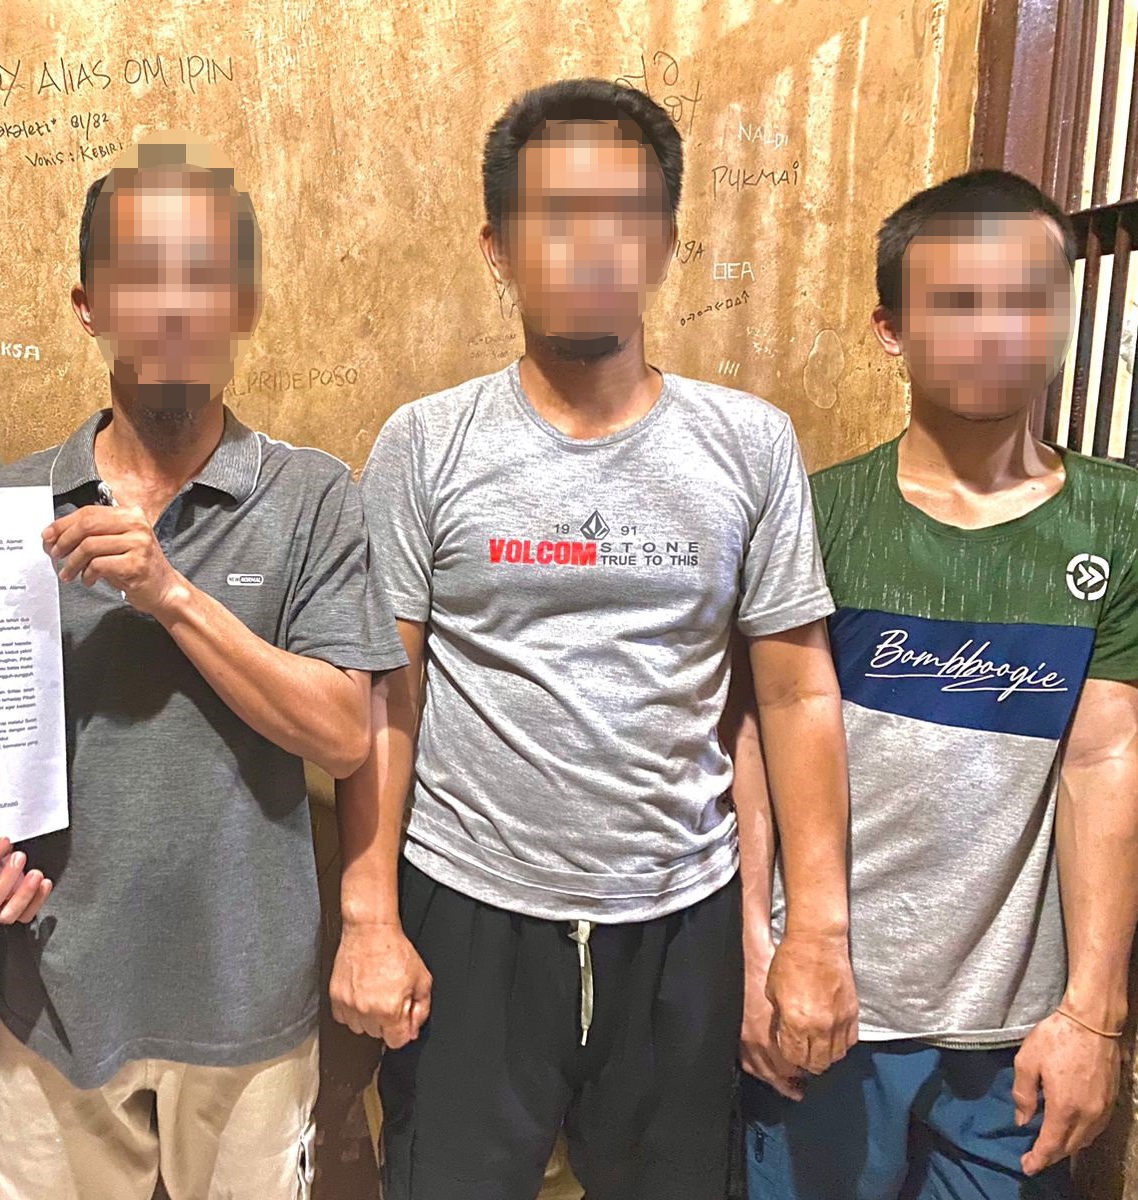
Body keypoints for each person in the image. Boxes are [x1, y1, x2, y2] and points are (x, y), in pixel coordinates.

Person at [335, 77, 860, 1200]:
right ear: (498, 246)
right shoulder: (426, 443)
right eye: (554, 214)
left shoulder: (750, 443)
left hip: (680, 915)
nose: (591, 243)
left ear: (665, 241)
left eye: (624, 212)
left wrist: (814, 932)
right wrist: (369, 914)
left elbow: (796, 694)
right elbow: (386, 692)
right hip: (467, 905)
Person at [0, 135, 408, 1200]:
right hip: (53, 993)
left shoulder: (312, 496)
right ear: (88, 306)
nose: (172, 305)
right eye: (140, 275)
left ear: (242, 305)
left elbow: (344, 734)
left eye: (203, 275)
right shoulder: (7, 508)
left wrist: (171, 595)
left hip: (248, 1000)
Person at [740, 169, 1138, 1200]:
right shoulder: (817, 513)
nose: (995, 329)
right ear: (892, 328)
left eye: (1026, 299)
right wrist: (755, 957)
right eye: (957, 302)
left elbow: (1106, 757)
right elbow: (754, 743)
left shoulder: (1118, 521)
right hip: (824, 1008)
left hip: (1017, 1034)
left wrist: (1095, 1012)